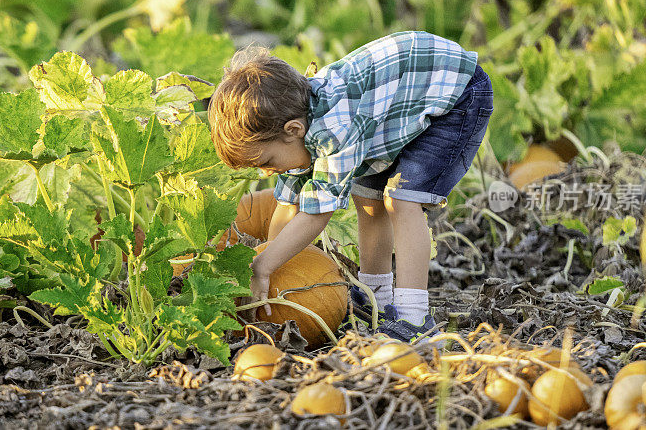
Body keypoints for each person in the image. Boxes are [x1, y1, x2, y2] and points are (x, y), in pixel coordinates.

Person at [209, 31, 492, 342]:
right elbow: (288, 207)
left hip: (457, 94)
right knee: (367, 198)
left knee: (402, 200)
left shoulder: (334, 129)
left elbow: (318, 214)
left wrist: (262, 266)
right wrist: (273, 262)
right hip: (396, 109)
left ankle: (414, 318)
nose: (264, 172)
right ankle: (378, 302)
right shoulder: (294, 127)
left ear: (293, 130)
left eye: (265, 160)